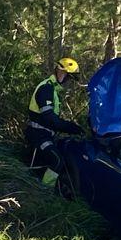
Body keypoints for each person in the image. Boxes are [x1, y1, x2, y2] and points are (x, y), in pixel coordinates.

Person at [25, 57, 82, 185]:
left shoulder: (53, 90)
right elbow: (50, 119)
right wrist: (71, 127)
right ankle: (45, 190)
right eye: (69, 78)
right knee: (57, 161)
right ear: (61, 72)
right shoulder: (47, 88)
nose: (68, 82)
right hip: (37, 134)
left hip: (44, 134)